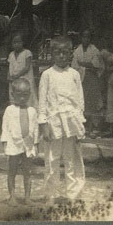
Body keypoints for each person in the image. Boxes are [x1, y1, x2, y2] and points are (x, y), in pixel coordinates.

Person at [38, 36, 86, 202]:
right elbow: (42, 101)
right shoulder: (47, 75)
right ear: (52, 54)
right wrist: (43, 124)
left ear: (70, 54)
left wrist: (80, 126)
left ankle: (73, 195)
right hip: (54, 123)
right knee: (52, 160)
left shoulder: (74, 75)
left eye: (65, 52)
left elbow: (80, 101)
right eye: (57, 52)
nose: (61, 56)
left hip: (72, 123)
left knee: (72, 160)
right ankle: (51, 194)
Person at [1, 77, 38, 204]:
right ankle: (12, 196)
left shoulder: (32, 111)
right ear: (12, 95)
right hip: (13, 144)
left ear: (29, 95)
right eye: (19, 95)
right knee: (12, 170)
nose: (22, 98)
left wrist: (35, 144)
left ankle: (27, 197)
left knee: (28, 171)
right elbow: (5, 128)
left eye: (26, 95)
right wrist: (5, 144)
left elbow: (35, 128)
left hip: (28, 144)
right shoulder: (9, 110)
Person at [72, 28, 106, 134]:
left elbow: (95, 65)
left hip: (92, 78)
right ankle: (83, 127)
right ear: (81, 38)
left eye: (88, 37)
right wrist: (85, 64)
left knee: (93, 102)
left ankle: (93, 128)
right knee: (82, 102)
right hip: (81, 78)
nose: (86, 39)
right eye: (84, 37)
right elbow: (75, 65)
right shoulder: (77, 50)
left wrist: (83, 64)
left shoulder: (94, 50)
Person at [6, 31, 36, 107]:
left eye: (19, 42)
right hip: (13, 81)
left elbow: (27, 67)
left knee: (27, 99)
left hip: (25, 79)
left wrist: (17, 75)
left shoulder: (27, 53)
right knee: (14, 98)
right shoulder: (11, 54)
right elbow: (10, 67)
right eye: (14, 42)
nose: (17, 44)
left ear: (23, 42)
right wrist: (9, 76)